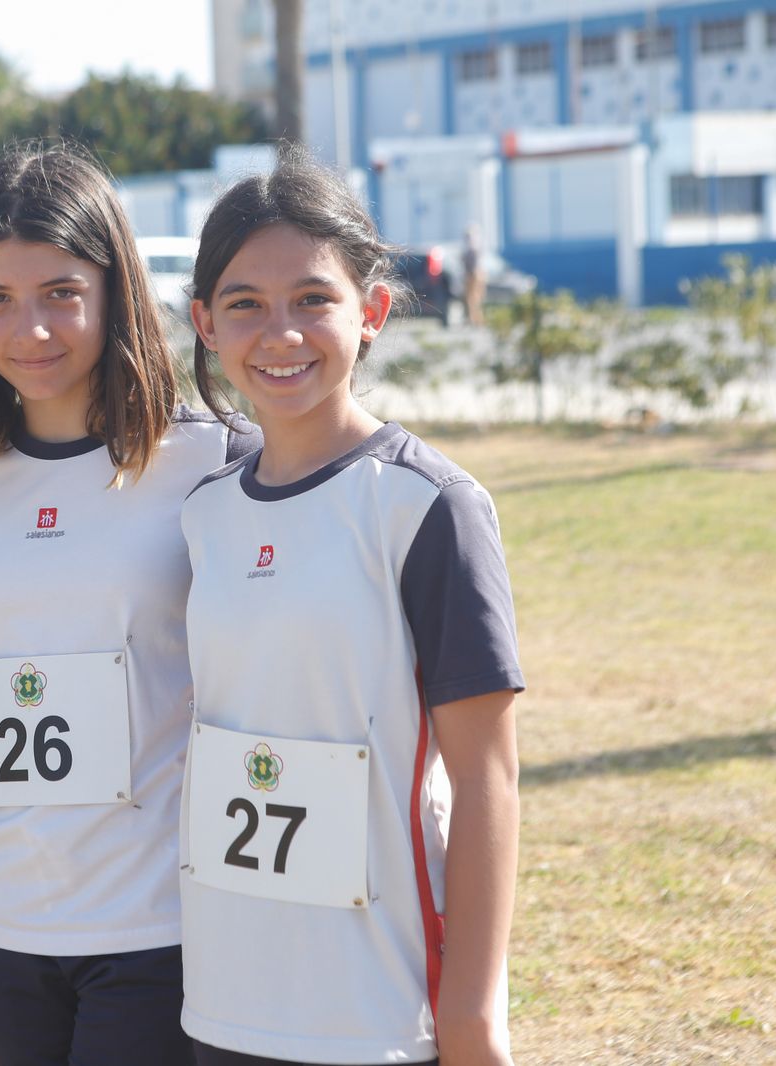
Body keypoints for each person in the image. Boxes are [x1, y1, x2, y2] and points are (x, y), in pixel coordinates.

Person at [0, 141, 256, 1066]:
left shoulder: (217, 462)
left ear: (115, 288)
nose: (31, 330)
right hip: (2, 911)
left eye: (61, 291)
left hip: (160, 915)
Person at [179, 151, 524, 1065]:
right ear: (205, 323)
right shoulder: (203, 513)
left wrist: (474, 1011)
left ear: (369, 313)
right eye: (245, 303)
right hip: (223, 1000)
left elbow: (488, 778)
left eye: (312, 299)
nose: (280, 332)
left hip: (378, 1008)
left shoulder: (430, 508)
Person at [462, 224, 486, 326]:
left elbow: (472, 265)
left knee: (474, 298)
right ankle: (475, 319)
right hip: (474, 274)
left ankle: (475, 319)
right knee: (473, 298)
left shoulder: (472, 248)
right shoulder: (472, 248)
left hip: (473, 274)